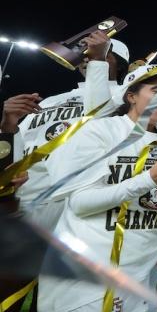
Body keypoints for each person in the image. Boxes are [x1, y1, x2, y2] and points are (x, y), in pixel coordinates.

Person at [38, 64, 157, 312]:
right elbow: (80, 203)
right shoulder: (99, 132)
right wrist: (148, 179)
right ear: (131, 96)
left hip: (137, 266)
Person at [12, 32, 128, 231]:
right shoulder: (51, 101)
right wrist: (9, 124)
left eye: (102, 54)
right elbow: (20, 140)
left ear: (120, 65)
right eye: (86, 54)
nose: (88, 58)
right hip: (24, 193)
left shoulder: (123, 97)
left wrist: (97, 61)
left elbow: (96, 118)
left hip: (68, 197)